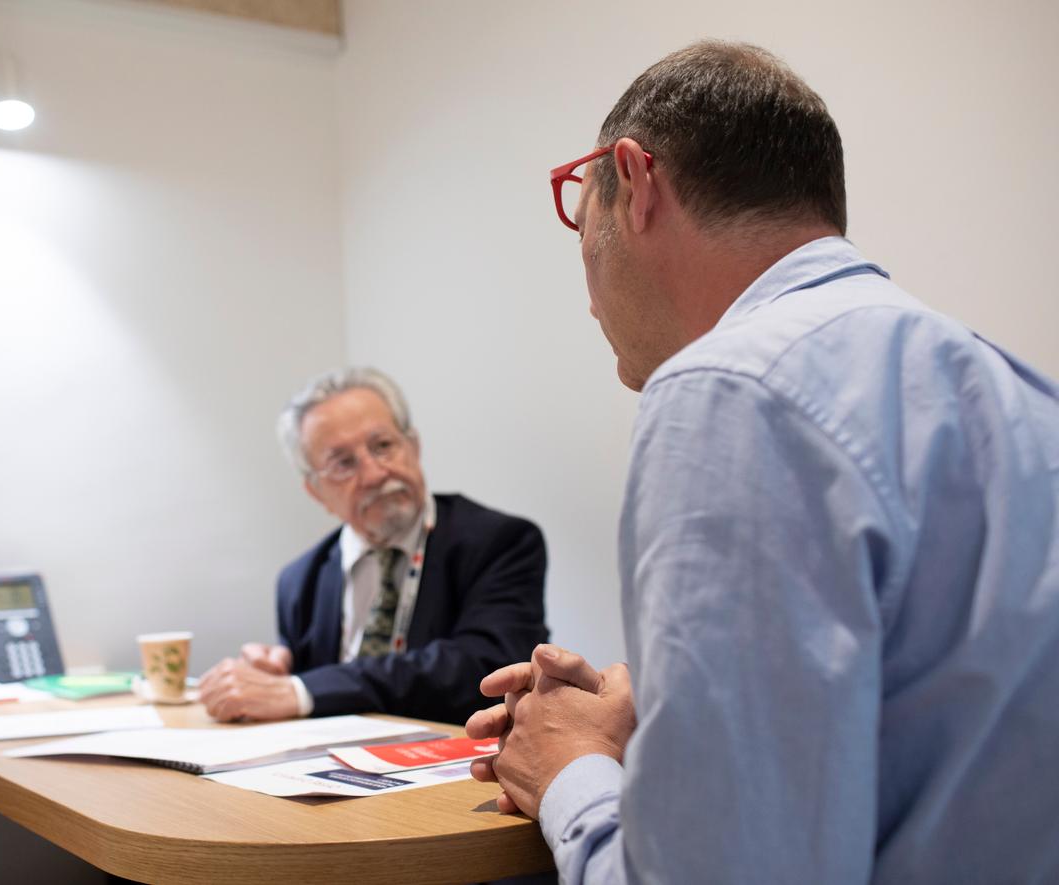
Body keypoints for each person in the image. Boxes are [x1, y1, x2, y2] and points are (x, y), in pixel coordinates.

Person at [467, 40, 1059, 883]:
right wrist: (680, 719)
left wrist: (569, 772)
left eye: (578, 207)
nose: (585, 287)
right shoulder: (1011, 390)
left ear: (632, 181)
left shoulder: (729, 389)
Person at [198, 367, 549, 724]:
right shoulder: (299, 581)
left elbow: (485, 667)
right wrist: (275, 675)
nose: (374, 474)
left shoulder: (501, 541)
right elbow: (301, 694)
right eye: (344, 463)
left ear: (413, 446)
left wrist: (304, 690)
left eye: (383, 446)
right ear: (316, 491)